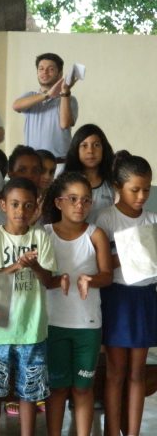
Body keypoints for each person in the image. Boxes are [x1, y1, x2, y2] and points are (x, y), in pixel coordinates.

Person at [0, 177, 56, 436]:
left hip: (32, 330)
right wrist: (18, 265)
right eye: (15, 204)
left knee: (29, 394)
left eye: (28, 205)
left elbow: (49, 281)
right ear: (3, 206)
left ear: (36, 207)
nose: (21, 211)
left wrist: (35, 266)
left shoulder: (41, 237)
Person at [41, 172, 112, 436]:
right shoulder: (45, 234)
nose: (79, 205)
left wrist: (90, 280)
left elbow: (107, 275)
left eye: (85, 200)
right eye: (73, 199)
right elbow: (41, 277)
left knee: (83, 388)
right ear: (58, 202)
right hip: (54, 324)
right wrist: (54, 280)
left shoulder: (96, 235)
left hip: (87, 325)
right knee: (57, 388)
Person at [94, 152, 157, 436]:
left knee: (137, 372)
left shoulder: (152, 221)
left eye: (146, 189)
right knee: (116, 371)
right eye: (135, 190)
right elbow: (99, 262)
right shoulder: (106, 219)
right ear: (118, 187)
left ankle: (132, 432)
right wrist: (133, 253)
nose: (142, 196)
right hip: (117, 298)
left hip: (145, 298)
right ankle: (112, 431)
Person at [12, 53, 78, 161]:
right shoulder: (31, 96)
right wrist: (47, 95)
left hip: (60, 161)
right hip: (34, 161)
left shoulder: (69, 99)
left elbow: (65, 123)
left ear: (60, 74)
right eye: (41, 69)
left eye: (50, 69)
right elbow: (15, 106)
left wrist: (65, 91)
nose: (45, 72)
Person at [63, 124, 115, 223]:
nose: (90, 151)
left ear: (104, 149)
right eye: (84, 145)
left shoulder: (112, 183)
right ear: (76, 150)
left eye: (96, 145)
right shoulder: (66, 182)